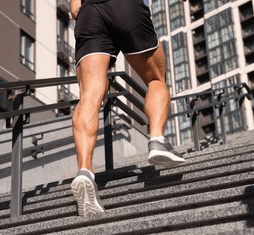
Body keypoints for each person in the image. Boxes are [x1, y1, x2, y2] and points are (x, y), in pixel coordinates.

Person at [70, 0, 187, 217]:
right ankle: (157, 140)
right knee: (155, 79)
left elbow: (74, 9)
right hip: (125, 7)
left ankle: (85, 171)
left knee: (90, 94)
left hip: (89, 14)